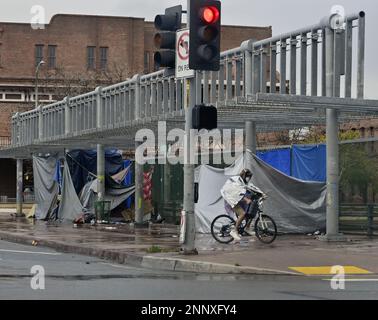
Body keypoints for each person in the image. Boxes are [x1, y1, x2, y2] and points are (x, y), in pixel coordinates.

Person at [220, 169, 258, 241]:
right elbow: (236, 192)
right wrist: (246, 199)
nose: (249, 178)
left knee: (251, 211)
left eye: (250, 177)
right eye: (248, 176)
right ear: (244, 175)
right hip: (230, 200)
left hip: (237, 199)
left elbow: (252, 187)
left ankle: (247, 228)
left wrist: (261, 193)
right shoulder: (236, 181)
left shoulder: (244, 181)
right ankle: (234, 231)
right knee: (242, 214)